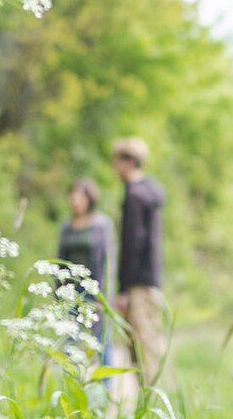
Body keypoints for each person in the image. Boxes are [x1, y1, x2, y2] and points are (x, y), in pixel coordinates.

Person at [111, 136, 167, 397]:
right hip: (151, 280)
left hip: (136, 284)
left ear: (130, 162)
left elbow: (134, 244)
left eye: (117, 161)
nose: (114, 168)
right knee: (150, 342)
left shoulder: (134, 195)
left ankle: (151, 401)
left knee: (142, 346)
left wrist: (123, 289)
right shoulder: (150, 191)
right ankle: (152, 399)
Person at [58, 176, 115, 357]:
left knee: (100, 338)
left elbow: (106, 260)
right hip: (70, 290)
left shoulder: (101, 225)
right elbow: (60, 260)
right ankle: (73, 380)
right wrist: (58, 290)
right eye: (73, 195)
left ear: (89, 199)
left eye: (80, 196)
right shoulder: (66, 227)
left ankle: (104, 383)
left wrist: (103, 294)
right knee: (70, 340)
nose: (75, 200)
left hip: (94, 290)